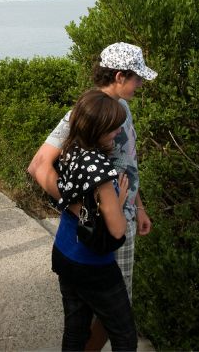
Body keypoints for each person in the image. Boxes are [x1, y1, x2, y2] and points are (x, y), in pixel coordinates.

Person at [28, 42, 156, 350]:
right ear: (119, 75)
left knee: (93, 313)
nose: (140, 84)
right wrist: (82, 208)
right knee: (116, 313)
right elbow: (38, 165)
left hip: (122, 217)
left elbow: (127, 162)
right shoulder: (84, 113)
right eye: (136, 77)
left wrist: (138, 206)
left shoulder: (120, 108)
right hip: (105, 229)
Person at [50, 89, 137, 351]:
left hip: (64, 252)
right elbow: (117, 229)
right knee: (124, 336)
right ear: (98, 130)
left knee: (75, 331)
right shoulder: (102, 173)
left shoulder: (69, 150)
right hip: (94, 266)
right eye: (112, 129)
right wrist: (119, 202)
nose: (115, 134)